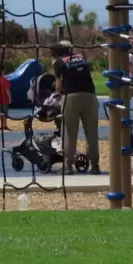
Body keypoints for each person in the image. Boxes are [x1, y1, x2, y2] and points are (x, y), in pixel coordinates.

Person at [53, 43, 100, 174]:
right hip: (90, 96)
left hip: (71, 96)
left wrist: (56, 94)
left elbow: (58, 85)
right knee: (91, 132)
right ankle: (95, 165)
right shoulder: (81, 57)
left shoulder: (58, 62)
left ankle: (68, 165)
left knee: (69, 132)